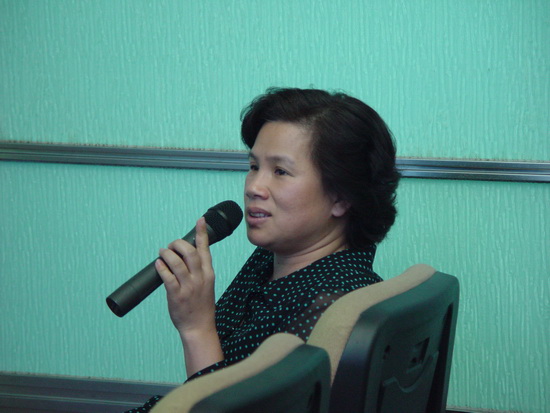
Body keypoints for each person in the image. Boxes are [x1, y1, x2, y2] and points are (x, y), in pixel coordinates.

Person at [124, 87, 399, 412]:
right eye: (254, 166)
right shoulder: (276, 255)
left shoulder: (328, 308)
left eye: (280, 171)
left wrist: (197, 328)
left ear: (341, 196)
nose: (254, 187)